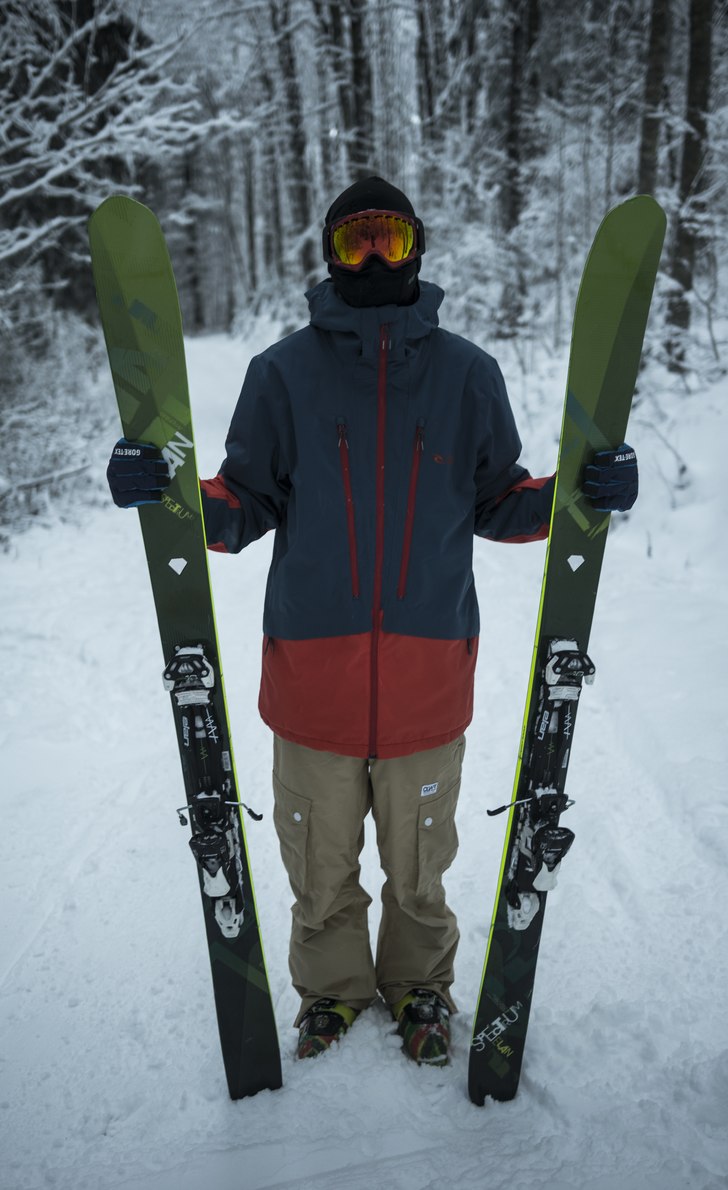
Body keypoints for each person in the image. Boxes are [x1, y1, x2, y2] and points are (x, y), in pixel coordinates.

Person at [107, 176, 639, 1067]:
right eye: (357, 243)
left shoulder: (470, 373)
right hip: (312, 676)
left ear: (418, 246)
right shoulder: (281, 373)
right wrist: (167, 494)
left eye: (389, 237)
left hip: (430, 676)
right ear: (331, 254)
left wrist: (576, 495)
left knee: (422, 866)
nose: (376, 258)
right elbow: (240, 504)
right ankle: (332, 994)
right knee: (318, 866)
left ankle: (420, 987)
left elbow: (499, 500)